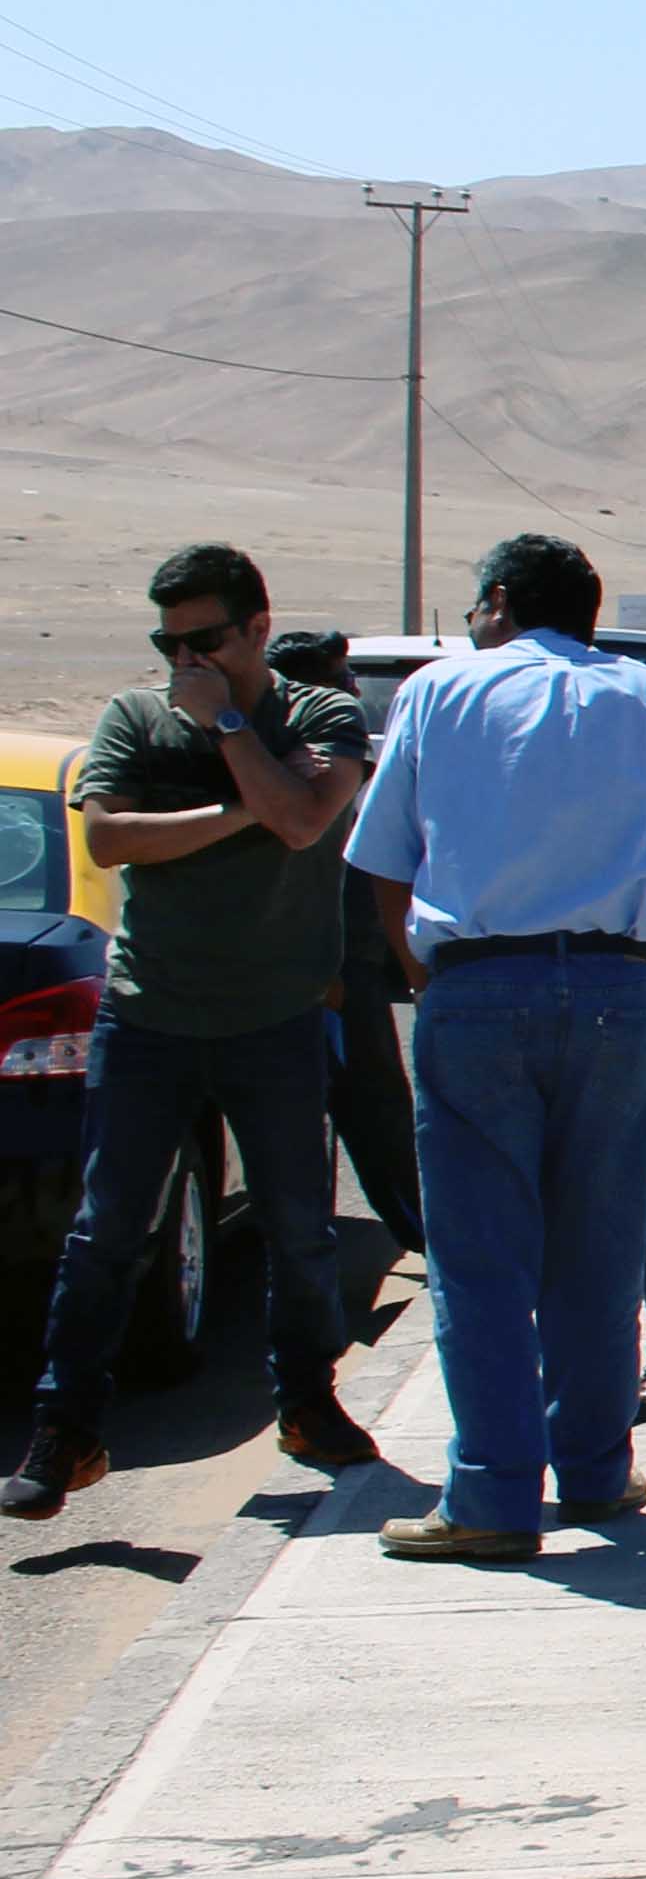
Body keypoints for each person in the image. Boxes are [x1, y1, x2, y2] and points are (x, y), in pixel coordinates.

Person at [342, 532, 646, 1560]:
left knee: (482, 1256)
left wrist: (422, 974)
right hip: (615, 990)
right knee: (600, 1248)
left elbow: (382, 852)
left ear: (499, 601)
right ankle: (594, 1471)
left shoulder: (440, 693)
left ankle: (495, 1497)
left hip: (478, 988)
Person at [0, 548, 382, 1522]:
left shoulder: (319, 715)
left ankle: (306, 1405)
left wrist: (221, 728)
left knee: (300, 1231)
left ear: (258, 627)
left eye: (203, 641)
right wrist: (239, 809)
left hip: (276, 1021)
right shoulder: (133, 718)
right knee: (103, 1235)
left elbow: (304, 819)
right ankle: (69, 1429)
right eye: (168, 644)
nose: (184, 661)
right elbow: (111, 839)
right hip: (149, 1016)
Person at [267, 626, 427, 1252]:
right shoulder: (293, 772)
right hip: (325, 980)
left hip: (350, 971)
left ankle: (423, 1236)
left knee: (382, 1115)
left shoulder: (326, 762)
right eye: (343, 677)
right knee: (358, 1119)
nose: (356, 691)